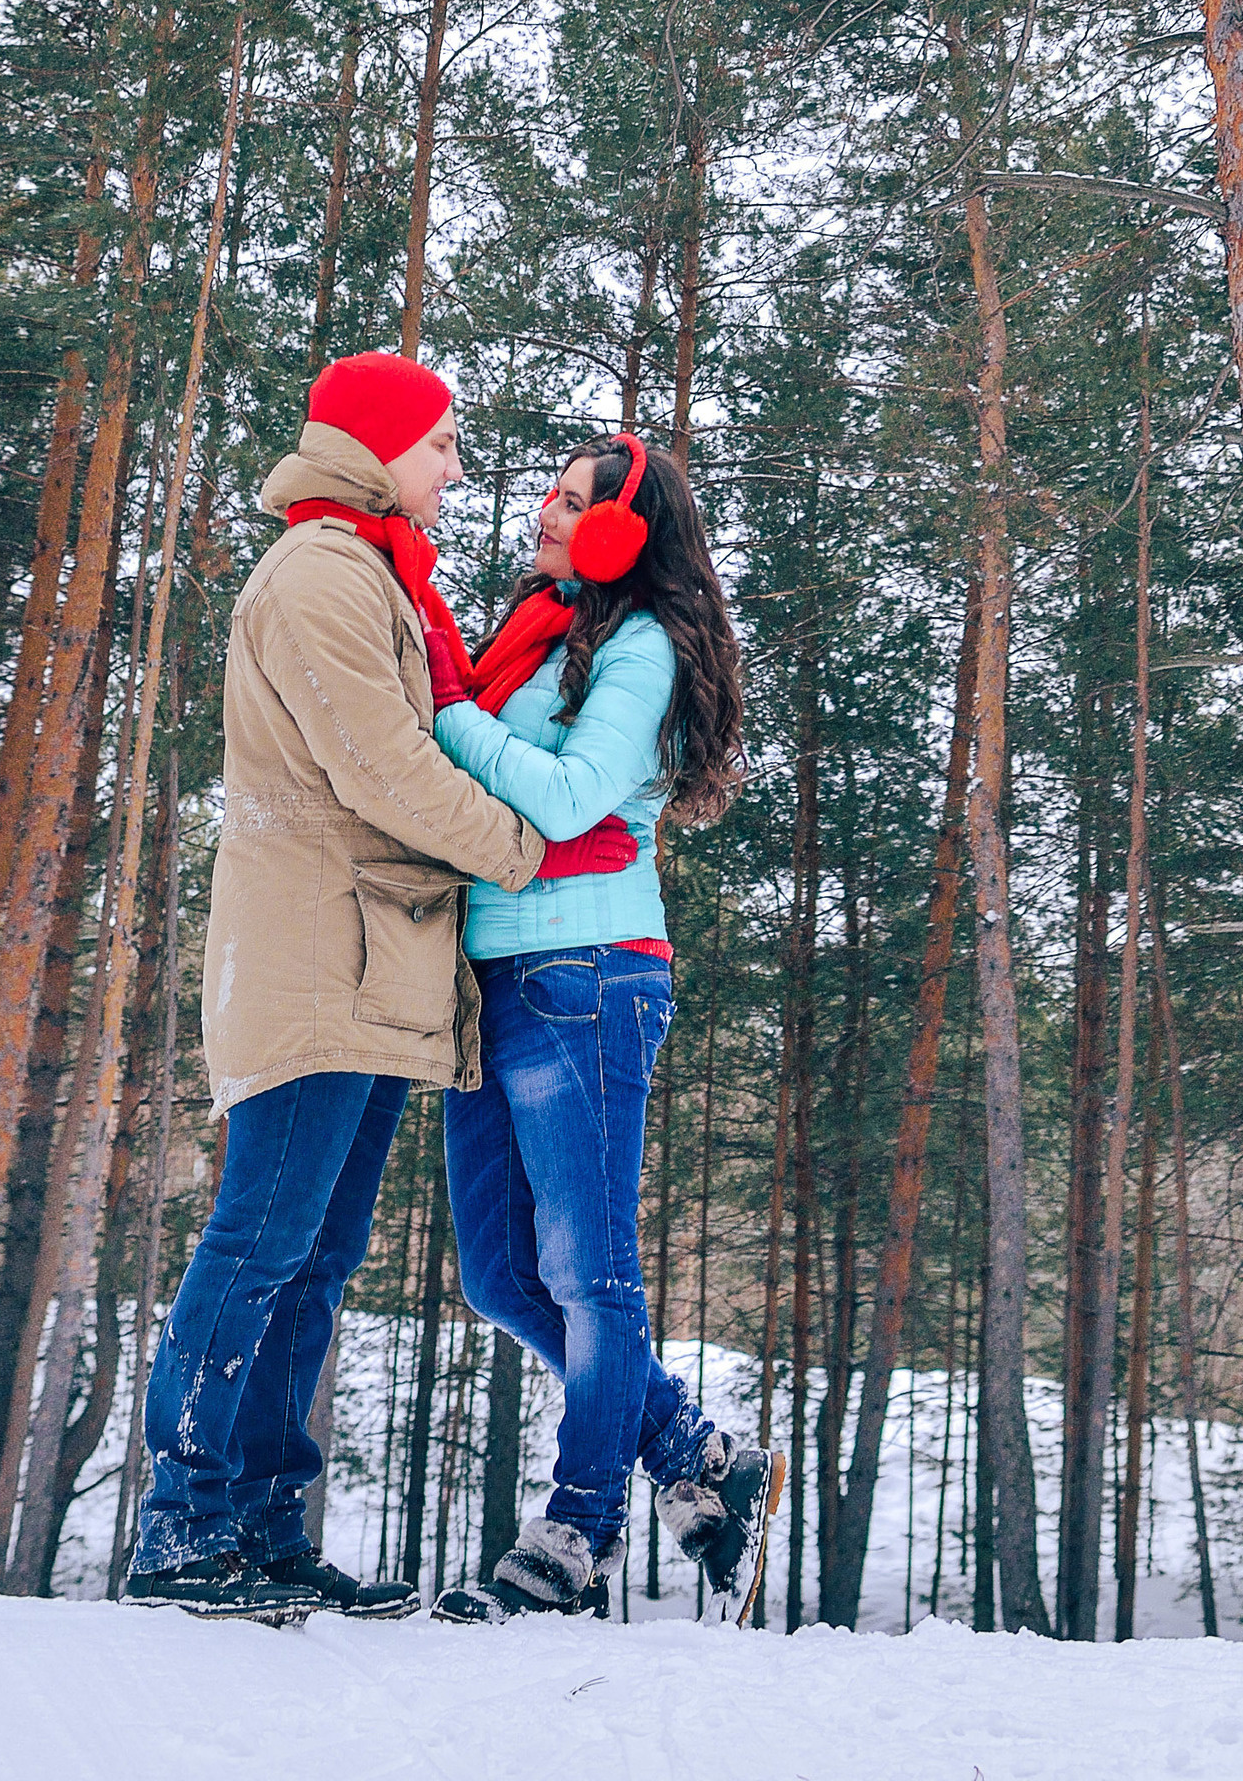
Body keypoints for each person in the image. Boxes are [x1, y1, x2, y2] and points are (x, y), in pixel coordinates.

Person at [124, 353, 637, 1621]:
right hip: (315, 953)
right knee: (261, 1239)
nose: (459, 468)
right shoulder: (321, 576)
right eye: (444, 444)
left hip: (370, 958)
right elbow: (385, 763)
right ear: (379, 444)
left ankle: (256, 1522)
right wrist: (532, 847)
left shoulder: (373, 570)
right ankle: (186, 1522)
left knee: (314, 1256)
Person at [421, 431, 771, 1624]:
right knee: (503, 1274)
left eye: (572, 502)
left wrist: (449, 708)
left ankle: (578, 1533)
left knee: (588, 1269)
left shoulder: (639, 647)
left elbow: (569, 795)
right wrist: (473, 722)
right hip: (490, 971)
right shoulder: (540, 631)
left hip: (589, 968)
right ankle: (688, 1447)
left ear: (627, 529)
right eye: (552, 494)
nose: (545, 512)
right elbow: (503, 790)